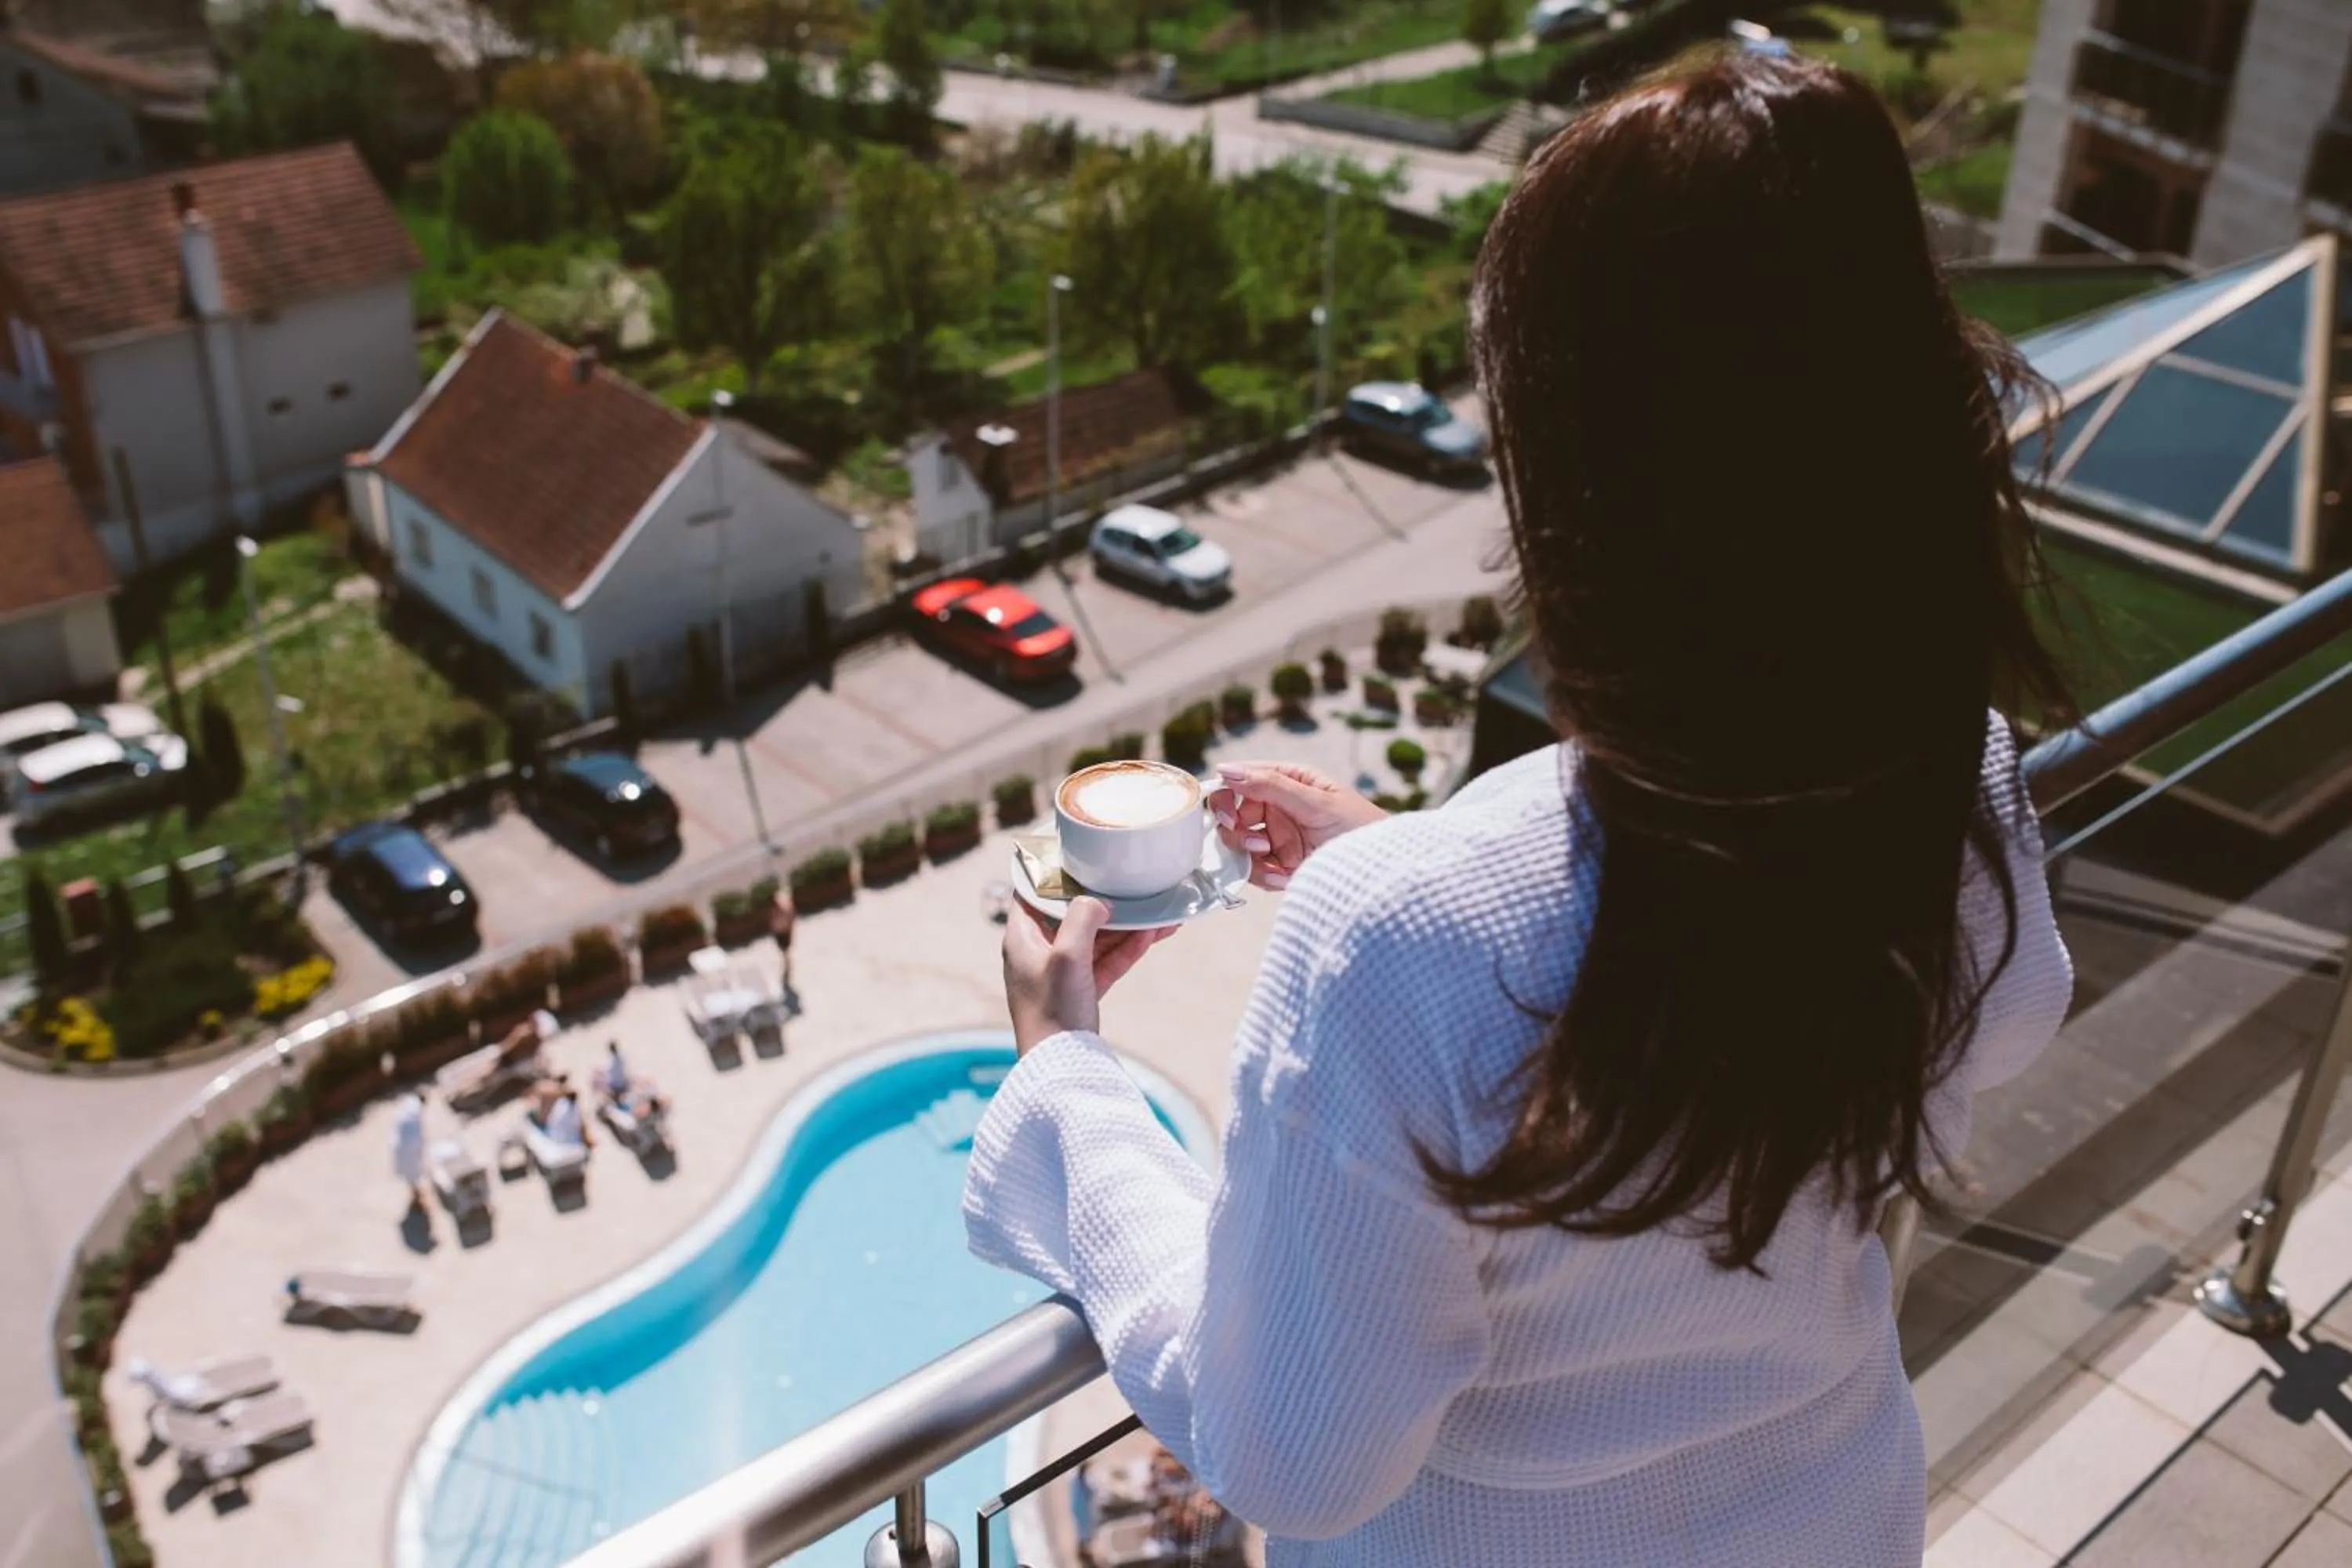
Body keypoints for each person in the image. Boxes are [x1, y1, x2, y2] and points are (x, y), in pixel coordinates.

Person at [964, 51, 2077, 1568]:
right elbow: (1993, 1021)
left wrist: (1067, 1078)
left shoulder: (1397, 950)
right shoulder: (1951, 775)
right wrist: (1428, 873)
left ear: (1569, 466)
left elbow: (1295, 1451)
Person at [390, 1091, 426, 1211]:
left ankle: (416, 1194)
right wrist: (421, 1151)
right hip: (408, 1149)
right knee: (412, 1173)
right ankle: (416, 1198)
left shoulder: (405, 1110)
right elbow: (418, 1137)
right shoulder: (415, 1116)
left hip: (400, 1145)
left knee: (410, 1174)